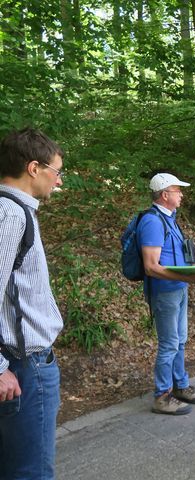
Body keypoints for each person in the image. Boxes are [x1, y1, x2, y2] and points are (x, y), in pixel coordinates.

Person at [0, 127, 65, 479]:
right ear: (33, 168)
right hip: (25, 366)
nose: (58, 182)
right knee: (31, 472)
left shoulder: (13, 211)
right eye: (56, 172)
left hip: (22, 364)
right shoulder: (10, 215)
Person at [139, 173, 195, 415]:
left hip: (179, 289)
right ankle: (162, 396)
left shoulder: (169, 218)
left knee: (179, 340)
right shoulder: (152, 222)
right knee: (169, 344)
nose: (182, 194)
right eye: (178, 190)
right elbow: (151, 266)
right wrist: (188, 277)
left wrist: (194, 273)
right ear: (165, 194)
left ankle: (180, 386)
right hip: (165, 292)